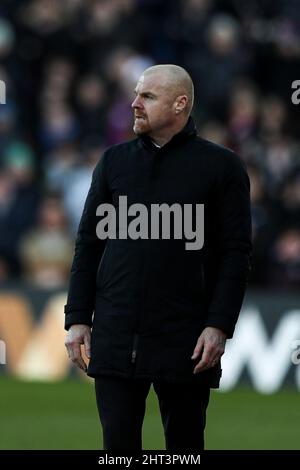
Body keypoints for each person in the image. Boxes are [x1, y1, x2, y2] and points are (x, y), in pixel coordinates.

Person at [64, 64, 252, 451]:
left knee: (185, 449)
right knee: (117, 450)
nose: (134, 104)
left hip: (186, 339)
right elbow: (87, 244)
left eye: (147, 96)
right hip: (115, 332)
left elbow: (236, 255)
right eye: (136, 94)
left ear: (180, 103)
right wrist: (78, 317)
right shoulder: (113, 162)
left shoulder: (222, 167)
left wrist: (218, 326)